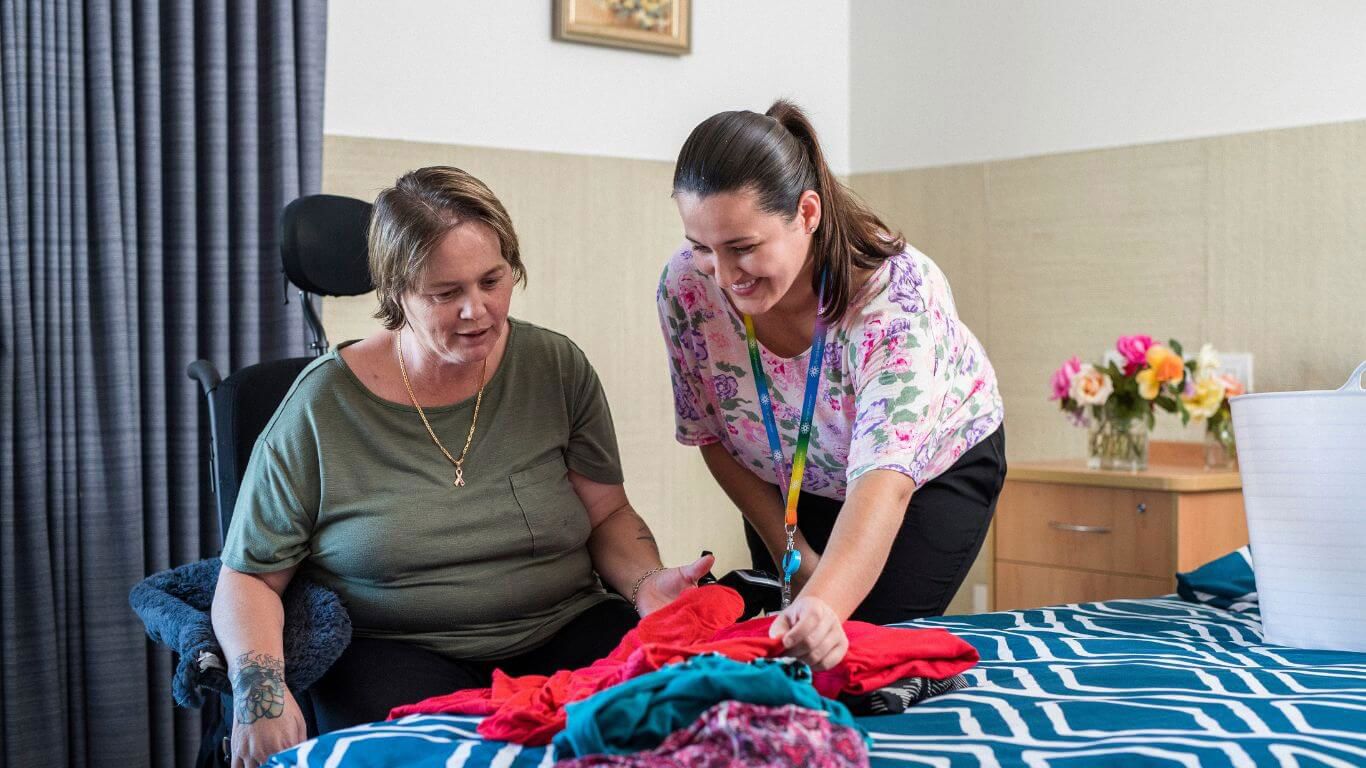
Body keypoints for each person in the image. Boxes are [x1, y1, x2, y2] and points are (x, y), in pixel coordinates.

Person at [212, 166, 711, 767]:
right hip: (397, 649)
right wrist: (259, 691)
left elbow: (606, 513)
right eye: (446, 293)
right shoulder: (320, 405)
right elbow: (248, 577)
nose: (477, 311)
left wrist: (644, 582)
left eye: (492, 281)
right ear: (396, 294)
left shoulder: (555, 367)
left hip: (563, 626)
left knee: (678, 728)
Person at [657, 100, 1006, 673]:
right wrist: (790, 557)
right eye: (701, 247)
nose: (722, 276)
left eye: (742, 248)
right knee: (785, 645)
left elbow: (884, 486)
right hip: (792, 480)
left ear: (807, 212)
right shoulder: (686, 288)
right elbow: (711, 434)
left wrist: (822, 606)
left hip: (921, 475)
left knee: (854, 650)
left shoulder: (896, 298)